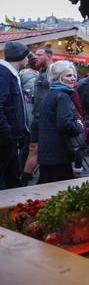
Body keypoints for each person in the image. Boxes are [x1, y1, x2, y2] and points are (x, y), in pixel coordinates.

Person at [37, 60, 83, 184]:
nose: (73, 79)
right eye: (68, 75)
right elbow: (66, 124)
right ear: (57, 79)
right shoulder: (63, 96)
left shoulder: (49, 94)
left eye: (74, 75)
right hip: (59, 154)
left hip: (47, 153)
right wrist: (79, 126)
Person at [0, 41, 30, 189]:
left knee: (13, 176)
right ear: (20, 56)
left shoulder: (12, 74)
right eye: (27, 56)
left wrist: (23, 131)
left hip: (11, 135)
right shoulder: (4, 73)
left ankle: (14, 208)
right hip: (6, 137)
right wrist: (5, 133)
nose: (28, 59)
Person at [22, 44, 53, 184]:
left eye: (39, 55)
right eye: (36, 54)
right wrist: (32, 98)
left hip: (48, 118)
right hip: (37, 117)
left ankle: (45, 181)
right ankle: (23, 181)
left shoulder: (53, 72)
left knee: (46, 150)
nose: (35, 57)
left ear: (49, 57)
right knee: (33, 148)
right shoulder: (40, 72)